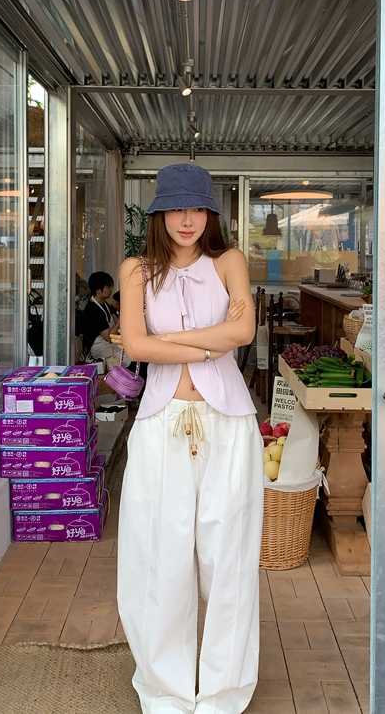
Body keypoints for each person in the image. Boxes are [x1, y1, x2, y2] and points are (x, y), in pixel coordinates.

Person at [117, 162, 262, 714]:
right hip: (161, 424)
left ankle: (223, 693)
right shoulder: (136, 271)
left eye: (197, 208)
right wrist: (208, 344)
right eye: (175, 208)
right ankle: (167, 691)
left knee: (229, 559)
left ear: (210, 213)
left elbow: (243, 330)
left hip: (228, 423)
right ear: (158, 213)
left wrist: (172, 340)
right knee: (161, 557)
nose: (186, 219)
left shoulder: (229, 262)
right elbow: (135, 345)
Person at [83, 271, 120, 362]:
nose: (111, 290)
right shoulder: (93, 309)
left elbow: (116, 321)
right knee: (126, 358)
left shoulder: (105, 304)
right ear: (98, 290)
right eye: (108, 287)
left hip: (109, 344)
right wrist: (121, 320)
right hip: (99, 347)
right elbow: (109, 338)